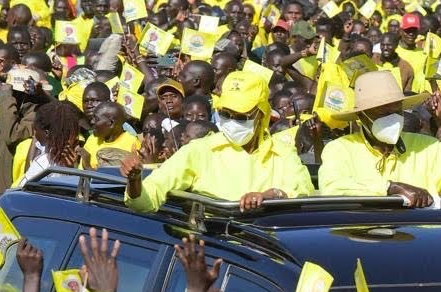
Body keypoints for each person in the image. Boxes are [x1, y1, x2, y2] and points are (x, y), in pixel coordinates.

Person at [121, 71, 313, 212]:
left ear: (261, 115)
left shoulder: (283, 152)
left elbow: (303, 192)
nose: (231, 120)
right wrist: (135, 181)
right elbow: (148, 198)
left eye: (240, 116)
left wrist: (270, 196)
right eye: (225, 114)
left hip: (269, 247)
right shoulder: (199, 151)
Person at [317, 71, 441, 205]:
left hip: (417, 238)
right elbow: (332, 188)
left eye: (397, 111)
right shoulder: (340, 149)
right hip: (359, 237)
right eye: (383, 113)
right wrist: (391, 188)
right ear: (362, 117)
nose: (392, 118)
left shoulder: (429, 148)